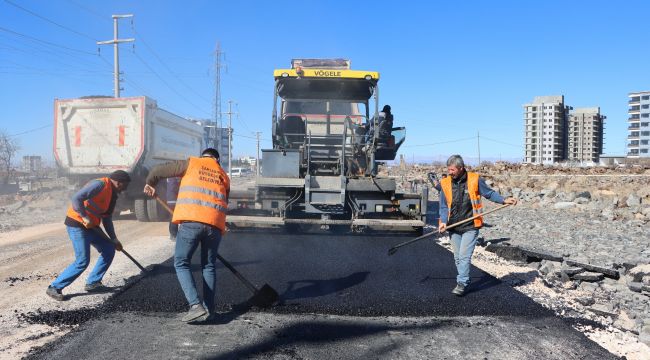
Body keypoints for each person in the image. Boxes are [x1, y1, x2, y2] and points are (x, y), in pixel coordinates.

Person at [143, 148, 230, 322]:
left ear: (202, 156)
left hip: (191, 222)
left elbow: (157, 171)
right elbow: (223, 200)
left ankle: (195, 306)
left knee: (181, 262)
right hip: (215, 226)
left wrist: (150, 183)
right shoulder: (223, 175)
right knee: (209, 266)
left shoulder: (191, 163)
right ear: (217, 160)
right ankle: (209, 310)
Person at [438, 155, 517, 296]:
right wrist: (443, 221)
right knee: (457, 257)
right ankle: (463, 278)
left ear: (461, 168)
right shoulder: (445, 183)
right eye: (448, 170)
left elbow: (489, 193)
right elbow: (443, 206)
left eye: (452, 170)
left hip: (471, 225)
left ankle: (462, 283)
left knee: (464, 256)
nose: (450, 172)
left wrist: (504, 200)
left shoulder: (475, 179)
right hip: (453, 226)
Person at [46, 170, 130, 301]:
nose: (124, 189)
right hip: (77, 223)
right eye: (125, 186)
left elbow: (107, 218)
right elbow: (76, 198)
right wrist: (84, 216)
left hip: (92, 226)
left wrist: (114, 238)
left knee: (108, 249)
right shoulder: (100, 184)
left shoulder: (113, 195)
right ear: (119, 183)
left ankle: (93, 283)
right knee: (82, 261)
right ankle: (54, 287)